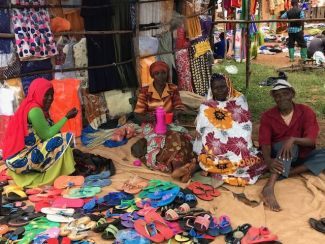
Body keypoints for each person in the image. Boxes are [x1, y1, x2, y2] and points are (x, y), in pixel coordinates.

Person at [259, 79, 325, 212]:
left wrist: (293, 139)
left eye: (285, 94)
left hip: (302, 155)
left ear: (292, 94)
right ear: (274, 98)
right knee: (289, 146)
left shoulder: (306, 111)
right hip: (279, 155)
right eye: (277, 95)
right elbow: (265, 143)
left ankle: (286, 174)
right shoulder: (268, 116)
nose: (282, 98)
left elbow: (311, 141)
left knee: (296, 146)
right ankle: (269, 187)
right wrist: (268, 161)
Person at [3, 78, 78, 188]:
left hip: (14, 158)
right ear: (37, 93)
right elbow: (46, 134)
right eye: (46, 95)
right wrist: (66, 117)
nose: (50, 98)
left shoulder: (30, 105)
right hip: (19, 160)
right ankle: (64, 174)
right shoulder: (35, 110)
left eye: (52, 95)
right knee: (65, 138)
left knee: (58, 137)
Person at [194, 73, 266, 186]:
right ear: (211, 89)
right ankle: (219, 168)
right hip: (216, 146)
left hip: (238, 144)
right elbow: (203, 132)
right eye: (215, 88)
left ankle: (215, 170)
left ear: (229, 86)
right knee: (210, 159)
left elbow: (244, 127)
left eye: (223, 87)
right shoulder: (206, 106)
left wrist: (235, 143)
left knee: (244, 160)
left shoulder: (239, 100)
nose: (220, 91)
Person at [134, 61, 197, 182]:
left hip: (170, 123)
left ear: (167, 74)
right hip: (151, 125)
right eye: (156, 73)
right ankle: (179, 167)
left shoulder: (173, 89)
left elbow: (179, 108)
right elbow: (137, 114)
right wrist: (148, 118)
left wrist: (172, 114)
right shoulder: (145, 91)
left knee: (180, 137)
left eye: (163, 73)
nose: (160, 76)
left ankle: (179, 168)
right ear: (152, 76)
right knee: (159, 142)